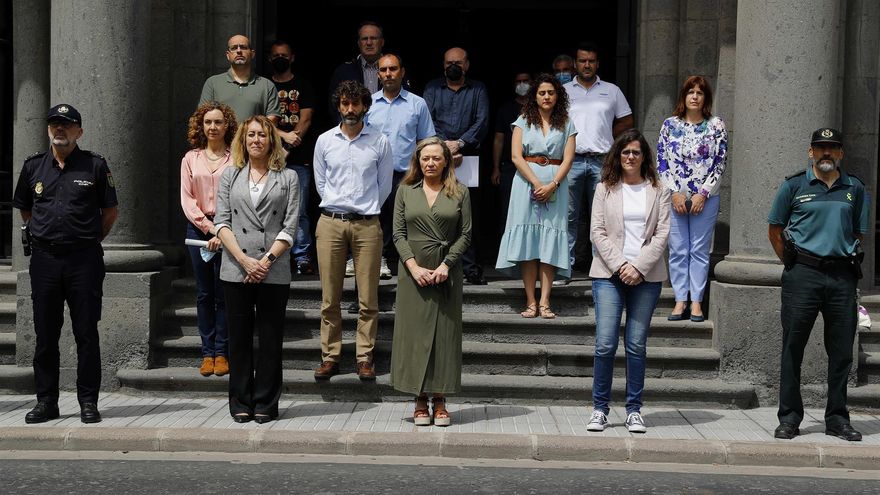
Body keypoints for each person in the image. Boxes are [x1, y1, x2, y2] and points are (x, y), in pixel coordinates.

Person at [14, 104, 118, 424]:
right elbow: (26, 210)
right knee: (46, 334)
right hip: (45, 260)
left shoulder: (95, 166)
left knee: (86, 332)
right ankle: (47, 401)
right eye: (54, 124)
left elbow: (110, 212)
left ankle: (88, 401)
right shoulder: (33, 167)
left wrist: (85, 239)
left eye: (67, 125)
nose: (60, 129)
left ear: (79, 131)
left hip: (83, 259)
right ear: (48, 129)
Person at [768, 127, 869, 442]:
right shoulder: (794, 186)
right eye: (821, 148)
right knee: (792, 348)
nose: (826, 153)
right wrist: (792, 262)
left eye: (833, 148)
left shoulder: (855, 188)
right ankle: (789, 418)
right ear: (811, 152)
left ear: (840, 154)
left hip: (841, 277)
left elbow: (858, 232)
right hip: (803, 275)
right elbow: (775, 228)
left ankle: (837, 419)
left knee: (841, 353)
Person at [213, 115, 300, 424]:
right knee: (238, 338)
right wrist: (245, 260)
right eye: (251, 135)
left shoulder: (288, 177)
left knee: (270, 338)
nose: (256, 140)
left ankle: (266, 401)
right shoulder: (230, 176)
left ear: (272, 140)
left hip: (273, 270)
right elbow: (222, 222)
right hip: (236, 268)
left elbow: (290, 226)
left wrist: (265, 262)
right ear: (242, 140)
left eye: (262, 135)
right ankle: (240, 399)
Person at [586, 129, 670, 434]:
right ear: (617, 157)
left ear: (644, 156)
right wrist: (622, 265)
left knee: (636, 344)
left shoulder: (659, 189)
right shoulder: (604, 188)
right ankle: (599, 408)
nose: (631, 157)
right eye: (625, 152)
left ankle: (634, 410)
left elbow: (662, 234)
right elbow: (597, 231)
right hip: (609, 274)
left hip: (646, 275)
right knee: (605, 343)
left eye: (636, 152)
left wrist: (638, 267)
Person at [312, 81, 393, 381]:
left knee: (368, 298)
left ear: (365, 106)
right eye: (345, 103)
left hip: (367, 224)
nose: (350, 109)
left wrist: (364, 207)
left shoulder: (380, 141)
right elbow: (321, 183)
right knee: (330, 297)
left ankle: (364, 357)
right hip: (331, 221)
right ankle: (330, 356)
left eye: (356, 103)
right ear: (338, 106)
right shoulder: (324, 141)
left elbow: (384, 187)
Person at [390, 137, 471, 427]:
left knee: (444, 336)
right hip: (413, 272)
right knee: (414, 334)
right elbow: (398, 234)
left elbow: (466, 234)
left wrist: (446, 265)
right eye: (426, 158)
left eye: (437, 158)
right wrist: (413, 267)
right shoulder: (404, 190)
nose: (431, 163)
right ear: (418, 161)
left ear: (446, 162)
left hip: (446, 272)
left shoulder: (460, 192)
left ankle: (440, 398)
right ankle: (419, 398)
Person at [495, 74, 576, 319]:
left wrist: (552, 184)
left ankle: (545, 302)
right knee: (529, 243)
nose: (546, 97)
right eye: (542, 93)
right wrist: (536, 182)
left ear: (557, 95)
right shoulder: (522, 121)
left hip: (556, 183)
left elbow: (569, 158)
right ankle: (530, 301)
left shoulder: (567, 123)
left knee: (550, 241)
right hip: (526, 182)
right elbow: (516, 156)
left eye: (551, 92)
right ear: (535, 96)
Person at [560, 41, 634, 286]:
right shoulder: (563, 91)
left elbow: (627, 119)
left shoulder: (611, 90)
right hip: (571, 160)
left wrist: (609, 136)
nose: (587, 65)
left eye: (591, 61)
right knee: (567, 216)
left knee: (602, 218)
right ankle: (565, 268)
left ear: (598, 63)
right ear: (575, 64)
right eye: (582, 61)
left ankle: (600, 269)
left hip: (602, 161)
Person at [657, 76, 728, 322]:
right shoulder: (669, 125)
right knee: (677, 249)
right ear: (683, 97)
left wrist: (703, 194)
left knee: (699, 249)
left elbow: (720, 162)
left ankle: (696, 302)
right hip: (674, 196)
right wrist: (674, 192)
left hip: (706, 198)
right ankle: (680, 300)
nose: (695, 96)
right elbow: (661, 162)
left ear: (706, 98)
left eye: (700, 92)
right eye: (690, 92)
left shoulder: (716, 125)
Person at [180, 102, 237, 377]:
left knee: (224, 293)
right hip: (198, 230)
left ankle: (222, 352)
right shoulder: (191, 159)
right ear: (201, 127)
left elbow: (239, 197)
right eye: (208, 122)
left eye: (218, 122)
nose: (212, 127)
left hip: (229, 229)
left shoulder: (237, 158)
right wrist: (209, 228)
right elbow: (188, 201)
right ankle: (207, 353)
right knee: (204, 293)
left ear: (227, 126)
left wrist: (222, 229)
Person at [367, 53, 436, 279]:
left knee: (409, 220)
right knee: (377, 219)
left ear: (402, 72)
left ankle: (411, 264)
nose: (388, 74)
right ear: (378, 74)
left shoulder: (418, 104)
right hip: (375, 173)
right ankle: (381, 259)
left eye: (393, 69)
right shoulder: (368, 103)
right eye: (384, 70)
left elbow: (426, 141)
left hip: (407, 174)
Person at [424, 47, 490, 285]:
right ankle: (436, 265)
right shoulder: (432, 88)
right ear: (443, 65)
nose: (454, 66)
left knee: (467, 214)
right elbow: (427, 119)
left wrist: (460, 143)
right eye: (449, 62)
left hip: (469, 159)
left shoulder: (478, 89)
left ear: (467, 65)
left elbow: (482, 121)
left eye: (458, 62)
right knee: (437, 211)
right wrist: (445, 149)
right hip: (436, 158)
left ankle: (471, 269)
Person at [268, 39, 317, 275]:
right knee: (269, 208)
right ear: (269, 58)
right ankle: (274, 255)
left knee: (300, 210)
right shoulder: (265, 87)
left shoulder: (303, 85)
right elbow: (262, 122)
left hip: (299, 159)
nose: (280, 58)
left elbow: (305, 119)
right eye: (276, 55)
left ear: (292, 58)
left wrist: (289, 146)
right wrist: (282, 139)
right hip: (266, 159)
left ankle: (302, 256)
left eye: (284, 55)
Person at [199, 34, 280, 123]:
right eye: (234, 48)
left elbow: (273, 118)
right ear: (228, 55)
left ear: (252, 54)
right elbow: (203, 115)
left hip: (253, 137)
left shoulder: (267, 85)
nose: (239, 51)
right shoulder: (213, 83)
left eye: (243, 47)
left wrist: (246, 132)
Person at [491, 71, 532, 229]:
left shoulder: (540, 107)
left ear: (533, 82)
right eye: (518, 81)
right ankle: (506, 252)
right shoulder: (505, 109)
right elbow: (498, 140)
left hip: (535, 165)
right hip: (509, 167)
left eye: (526, 80)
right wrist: (496, 168)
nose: (522, 84)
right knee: (508, 211)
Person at [328, 21, 385, 124]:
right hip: (352, 131)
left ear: (382, 42)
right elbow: (334, 106)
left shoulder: (394, 70)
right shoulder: (343, 71)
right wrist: (346, 129)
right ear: (359, 43)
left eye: (373, 38)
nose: (369, 43)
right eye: (364, 39)